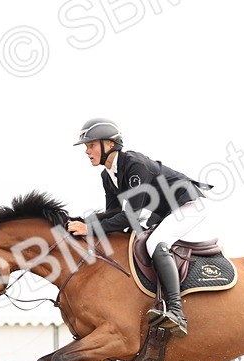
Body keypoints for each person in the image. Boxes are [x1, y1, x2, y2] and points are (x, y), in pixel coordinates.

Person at [65, 118, 211, 337]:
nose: (87, 151)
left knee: (154, 243)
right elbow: (113, 214)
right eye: (87, 146)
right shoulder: (107, 176)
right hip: (164, 211)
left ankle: (176, 312)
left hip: (187, 204)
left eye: (91, 145)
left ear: (109, 144)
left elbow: (130, 218)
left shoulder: (135, 165)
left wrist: (89, 229)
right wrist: (85, 223)